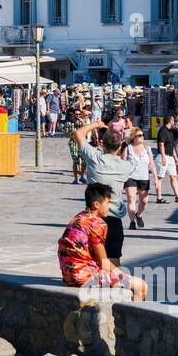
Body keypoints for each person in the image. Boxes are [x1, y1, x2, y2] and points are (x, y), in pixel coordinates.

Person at [57, 182, 148, 301]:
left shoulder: (78, 218)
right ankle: (134, 316)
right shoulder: (97, 224)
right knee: (141, 286)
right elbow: (103, 263)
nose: (109, 207)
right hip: (84, 277)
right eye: (107, 203)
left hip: (68, 274)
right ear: (96, 205)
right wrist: (123, 276)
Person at [74, 120, 133, 266]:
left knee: (91, 258)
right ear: (119, 146)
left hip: (93, 218)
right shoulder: (126, 166)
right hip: (113, 219)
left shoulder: (95, 158)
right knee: (113, 259)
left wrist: (96, 124)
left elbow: (78, 133)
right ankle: (113, 285)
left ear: (103, 144)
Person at [122, 129, 158, 230]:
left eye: (142, 135)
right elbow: (122, 164)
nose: (142, 136)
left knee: (144, 201)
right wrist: (120, 179)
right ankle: (132, 221)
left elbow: (151, 164)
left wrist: (156, 178)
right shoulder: (128, 148)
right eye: (139, 135)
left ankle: (139, 215)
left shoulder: (147, 149)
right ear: (133, 137)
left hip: (143, 177)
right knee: (131, 198)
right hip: (130, 177)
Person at [153, 114, 178, 204]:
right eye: (173, 120)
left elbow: (172, 146)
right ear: (169, 121)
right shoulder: (162, 131)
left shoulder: (171, 131)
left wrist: (176, 158)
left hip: (170, 157)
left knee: (173, 176)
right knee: (159, 178)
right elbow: (161, 144)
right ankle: (159, 198)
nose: (174, 121)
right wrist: (163, 157)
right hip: (162, 156)